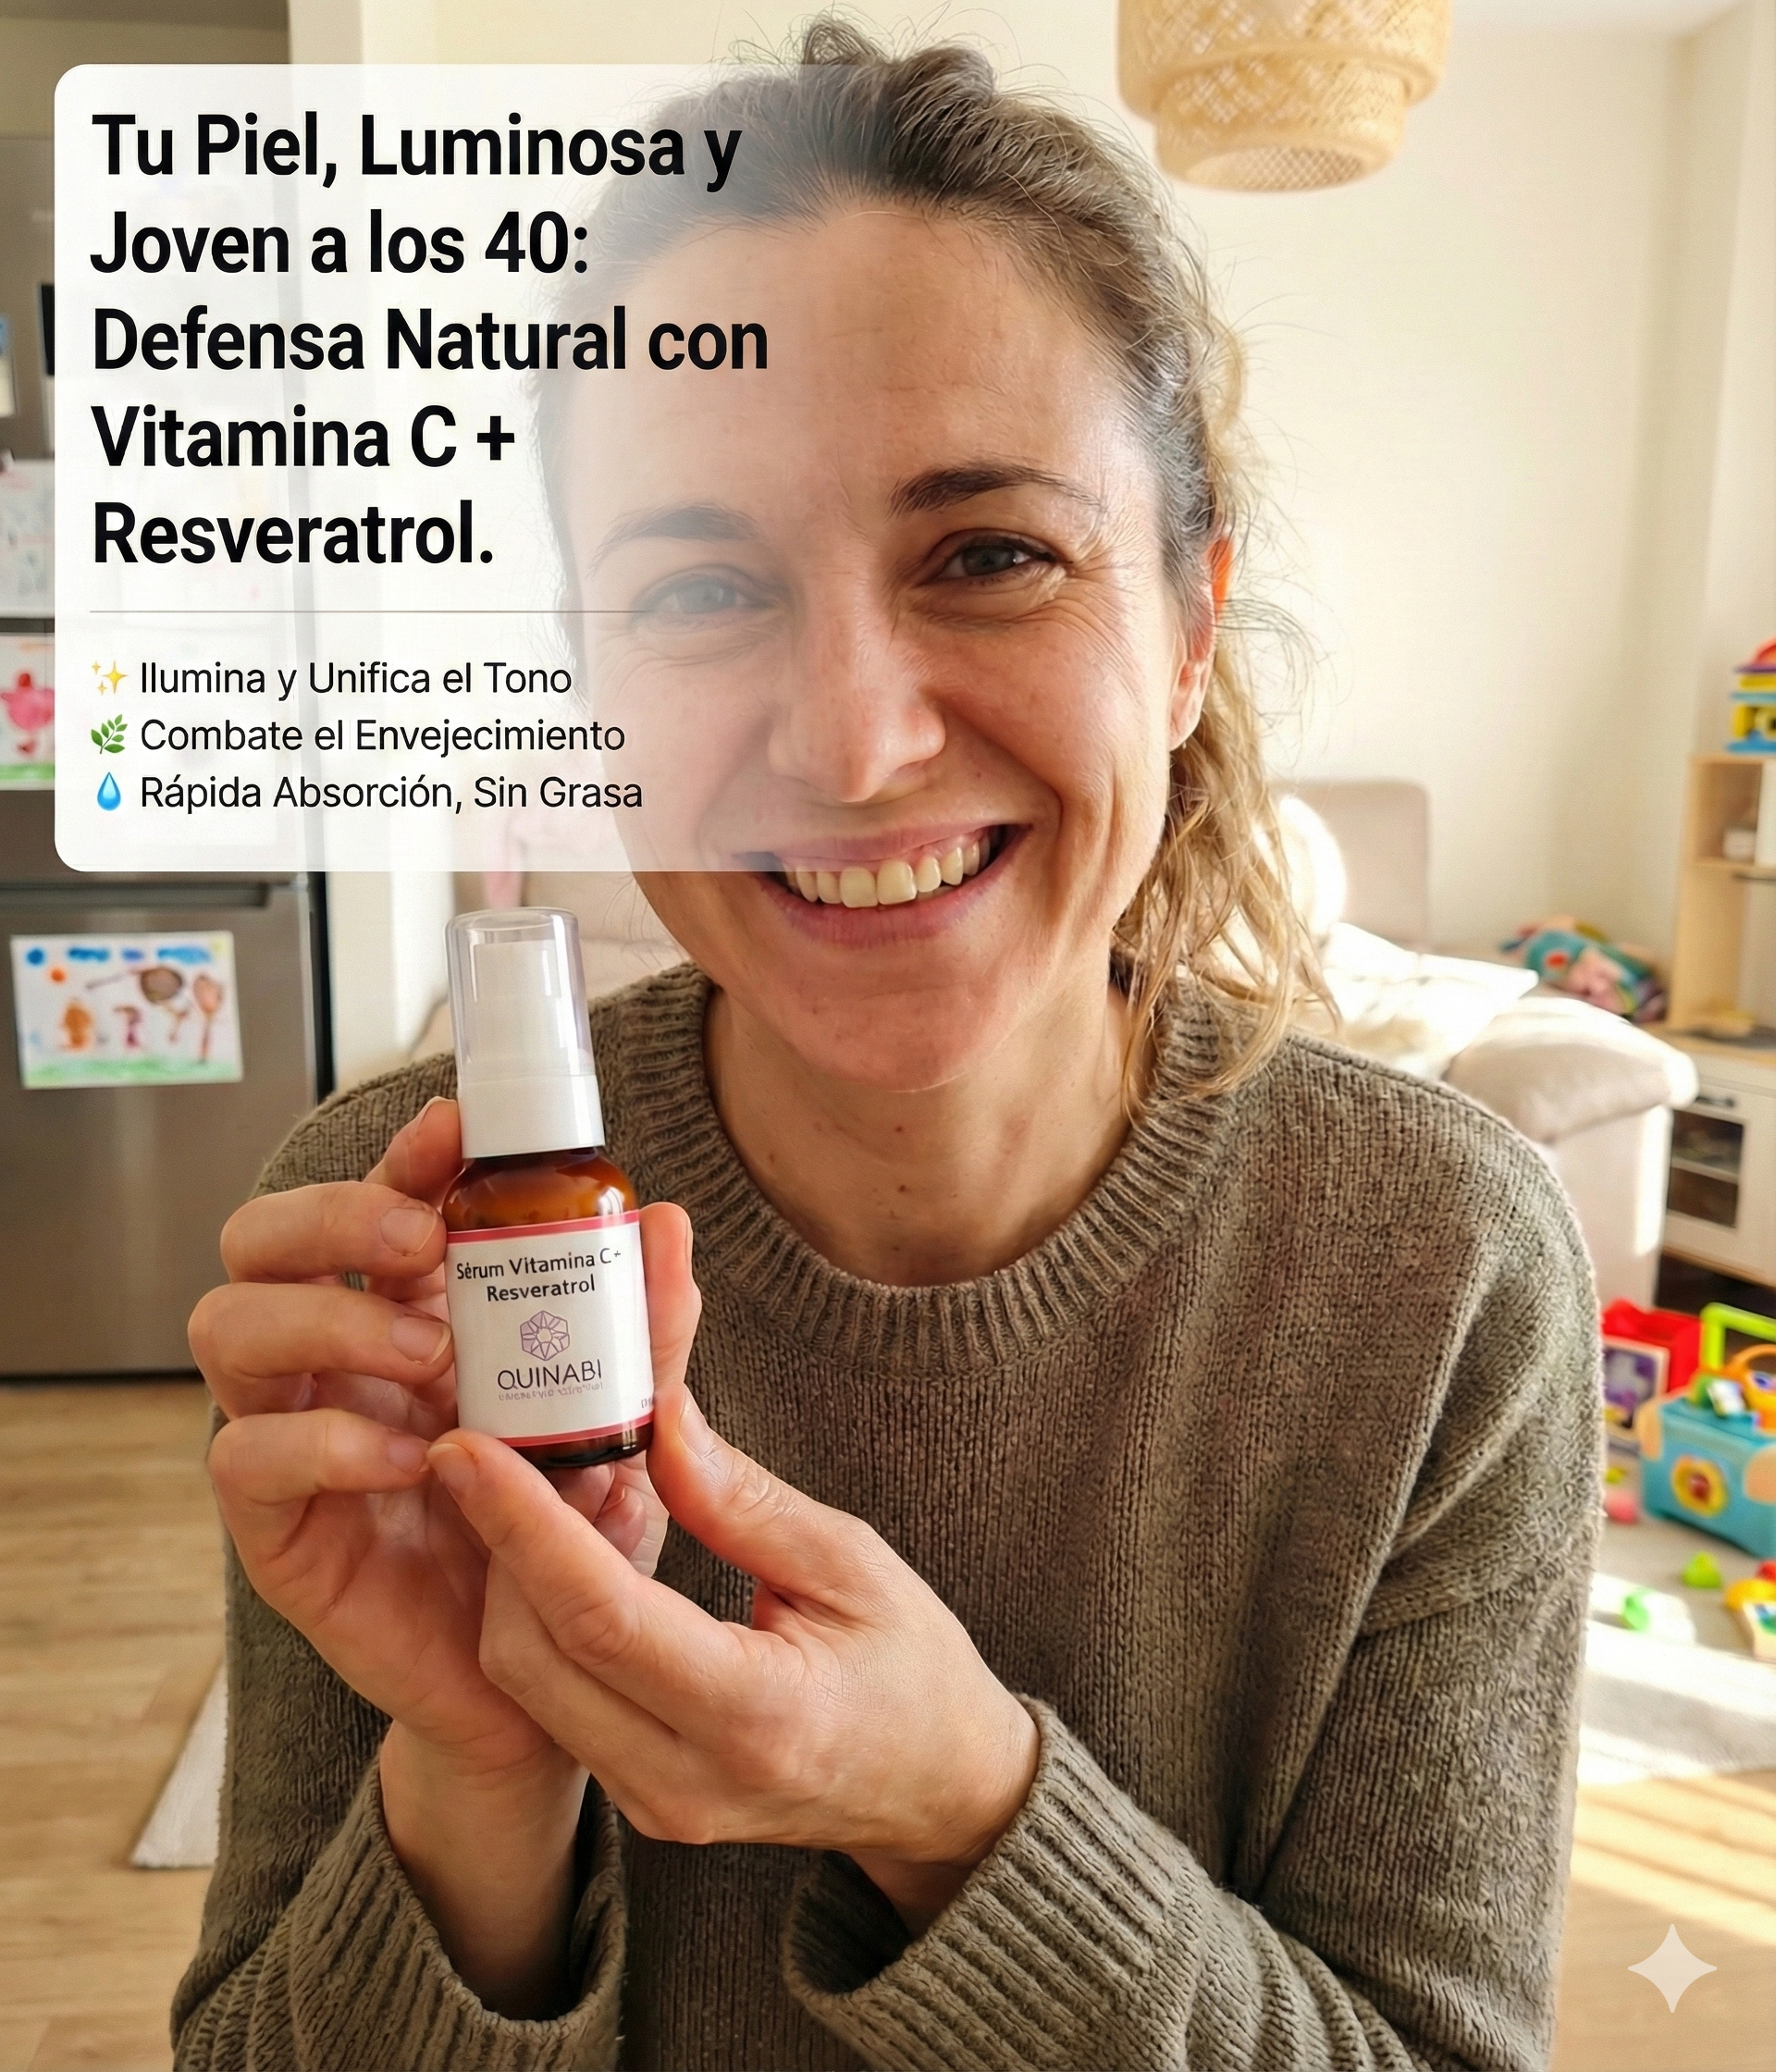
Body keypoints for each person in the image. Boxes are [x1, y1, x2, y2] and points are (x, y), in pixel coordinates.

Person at [177, 24, 1599, 2071]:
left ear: (1190, 630)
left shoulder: (1438, 1267)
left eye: (990, 555)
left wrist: (959, 1813)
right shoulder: (418, 1242)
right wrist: (476, 1767)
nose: (853, 745)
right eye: (698, 586)